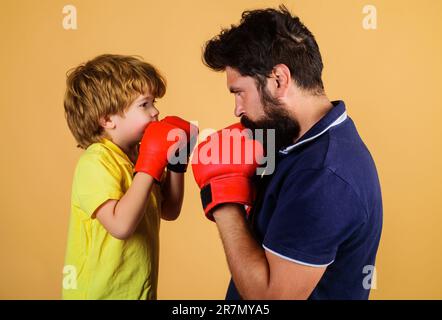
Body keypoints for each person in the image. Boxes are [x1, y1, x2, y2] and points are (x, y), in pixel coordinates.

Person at [192, 5, 383, 299]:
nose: (237, 109)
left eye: (239, 91)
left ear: (279, 79)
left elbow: (270, 299)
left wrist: (222, 196)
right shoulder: (295, 142)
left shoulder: (324, 176)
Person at [62, 54, 196, 299]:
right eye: (144, 104)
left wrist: (178, 160)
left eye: (154, 102)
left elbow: (170, 208)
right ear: (107, 119)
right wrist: (151, 162)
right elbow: (121, 225)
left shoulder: (137, 156)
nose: (156, 112)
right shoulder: (96, 161)